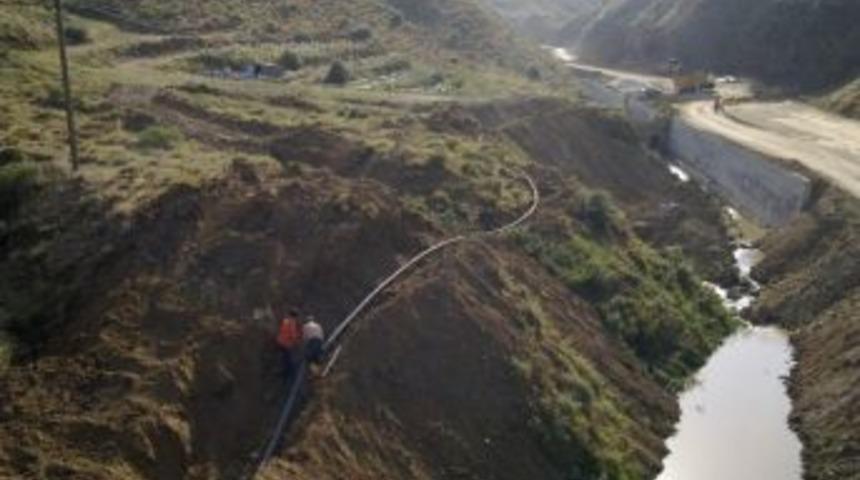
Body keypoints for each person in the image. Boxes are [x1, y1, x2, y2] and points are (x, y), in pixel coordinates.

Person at [276, 309, 302, 380]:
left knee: (284, 357)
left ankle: (283, 370)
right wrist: (297, 342)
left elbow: (282, 331)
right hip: (286, 343)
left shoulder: (285, 321)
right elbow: (293, 334)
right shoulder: (292, 322)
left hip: (280, 341)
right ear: (295, 316)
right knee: (288, 358)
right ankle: (289, 373)